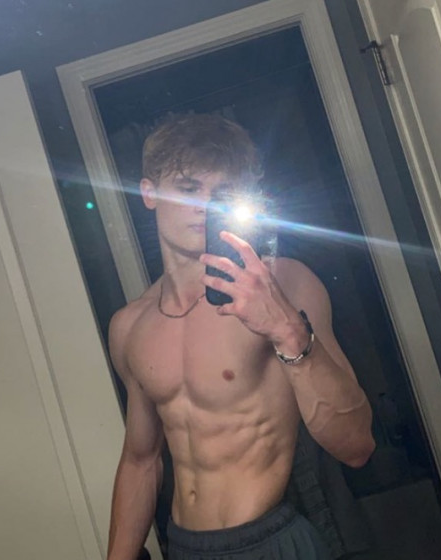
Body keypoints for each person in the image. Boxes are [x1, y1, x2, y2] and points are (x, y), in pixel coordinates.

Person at [106, 113, 375, 560]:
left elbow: (357, 446)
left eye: (222, 194)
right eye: (188, 188)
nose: (204, 207)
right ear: (148, 193)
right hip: (186, 547)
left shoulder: (284, 283)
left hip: (271, 541)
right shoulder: (130, 325)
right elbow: (140, 461)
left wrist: (287, 330)